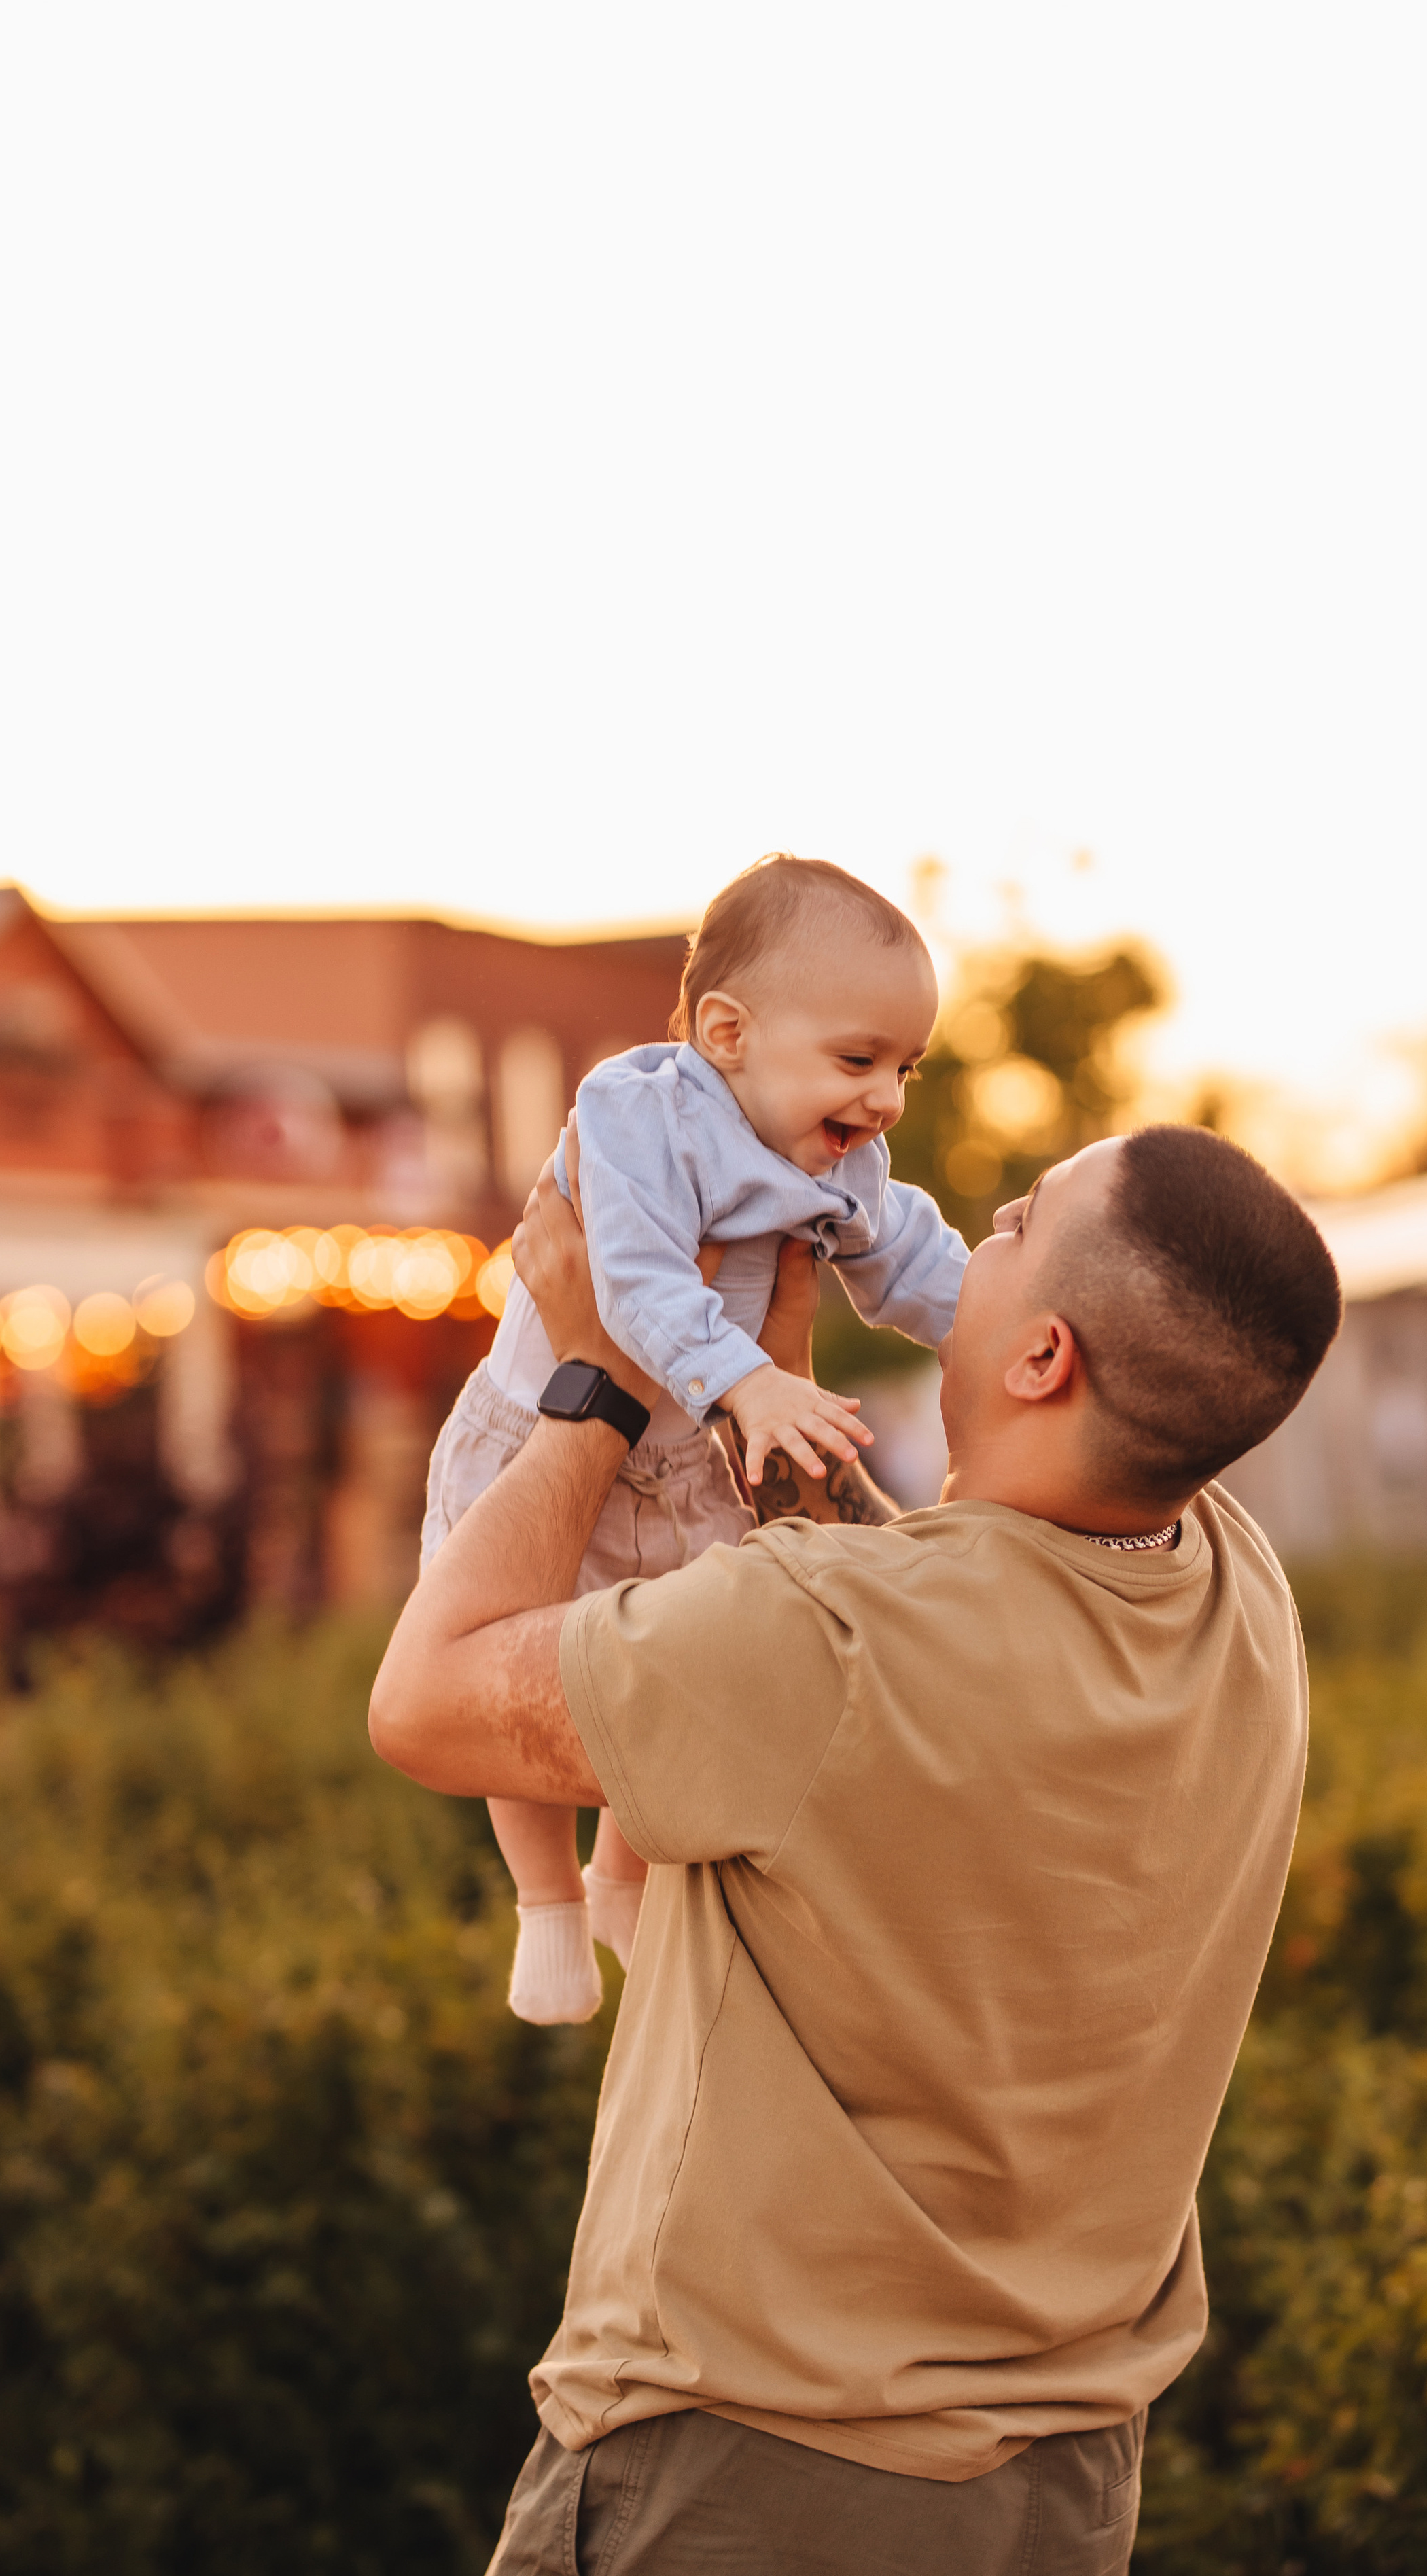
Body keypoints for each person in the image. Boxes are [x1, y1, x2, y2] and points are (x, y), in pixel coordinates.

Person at [370, 1117, 1342, 2574]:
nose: (971, 1226)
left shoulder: (823, 1645)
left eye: (1017, 1223)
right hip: (1060, 2490)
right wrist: (774, 1396)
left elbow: (425, 1703)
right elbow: (939, 1611)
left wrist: (597, 1377)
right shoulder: (1231, 1589)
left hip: (748, 2476)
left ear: (1044, 1358)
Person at [420, 855, 968, 2026]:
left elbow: (909, 1255)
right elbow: (636, 1281)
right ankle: (546, 1901)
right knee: (508, 1660)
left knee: (677, 1659)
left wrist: (996, 1323)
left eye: (907, 1068)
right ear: (727, 1033)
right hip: (546, 1427)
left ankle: (620, 1880)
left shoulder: (841, 1157)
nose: (887, 1101)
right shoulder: (638, 1114)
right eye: (860, 1061)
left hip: (687, 1457)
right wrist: (751, 1380)